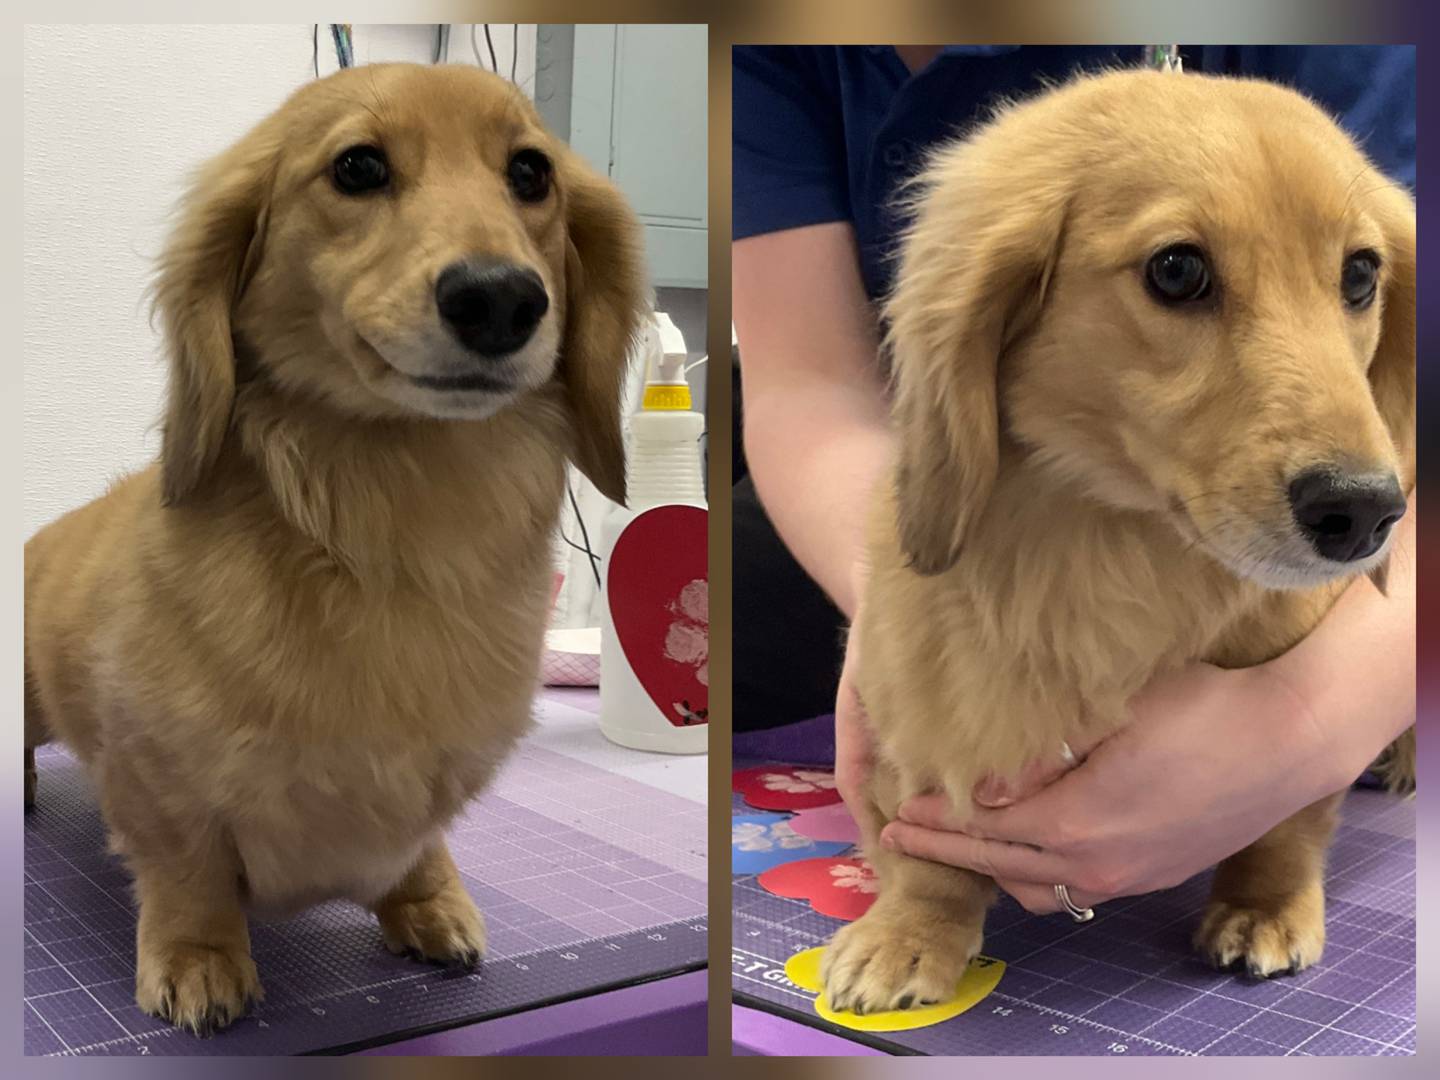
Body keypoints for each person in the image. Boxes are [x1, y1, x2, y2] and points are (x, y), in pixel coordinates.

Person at [731, 45, 1416, 915]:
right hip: (949, 473)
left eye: (1357, 274)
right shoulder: (766, 51)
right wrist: (900, 618)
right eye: (1180, 273)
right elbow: (810, 384)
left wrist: (1307, 722)